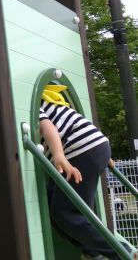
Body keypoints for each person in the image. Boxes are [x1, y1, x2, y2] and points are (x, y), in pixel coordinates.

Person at [39, 85, 136, 260]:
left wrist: (58, 154)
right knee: (55, 211)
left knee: (66, 213)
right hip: (93, 147)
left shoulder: (37, 105)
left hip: (80, 151)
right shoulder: (54, 105)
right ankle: (94, 251)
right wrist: (101, 152)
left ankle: (120, 253)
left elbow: (47, 126)